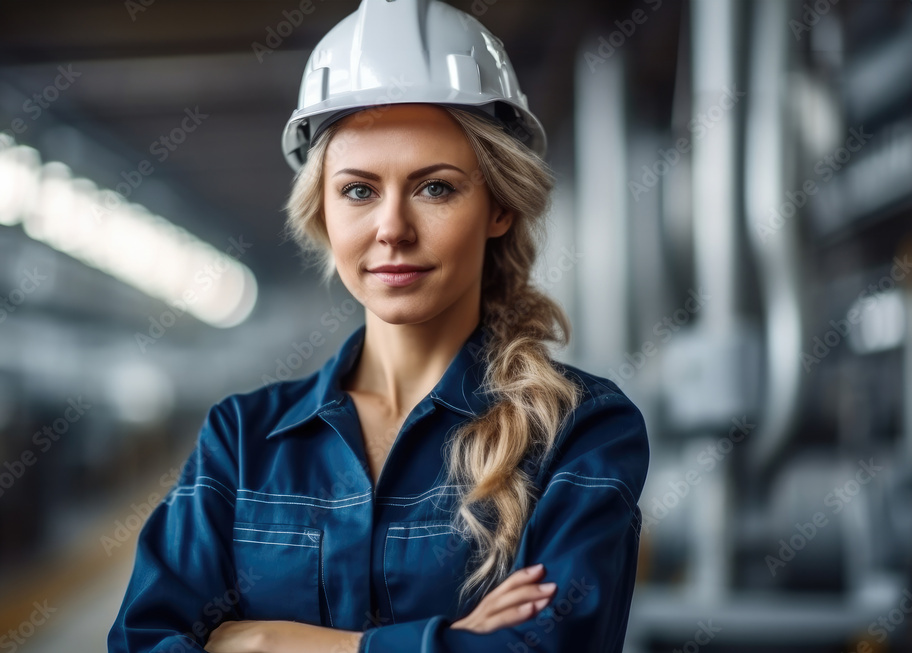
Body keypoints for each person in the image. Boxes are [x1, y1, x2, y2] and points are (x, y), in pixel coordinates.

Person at [107, 1, 650, 652]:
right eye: (359, 190)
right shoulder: (243, 441)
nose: (392, 227)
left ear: (499, 206)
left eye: (435, 188)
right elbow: (144, 642)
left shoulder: (578, 432)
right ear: (324, 213)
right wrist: (445, 640)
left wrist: (258, 642)